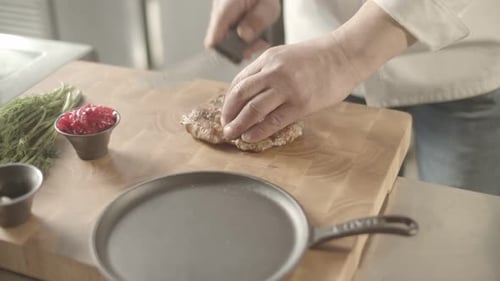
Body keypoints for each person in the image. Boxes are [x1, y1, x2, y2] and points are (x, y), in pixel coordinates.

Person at [203, 0, 500, 196]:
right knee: (336, 218)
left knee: (453, 234)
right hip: (316, 57)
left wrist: (342, 55)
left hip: (461, 61)